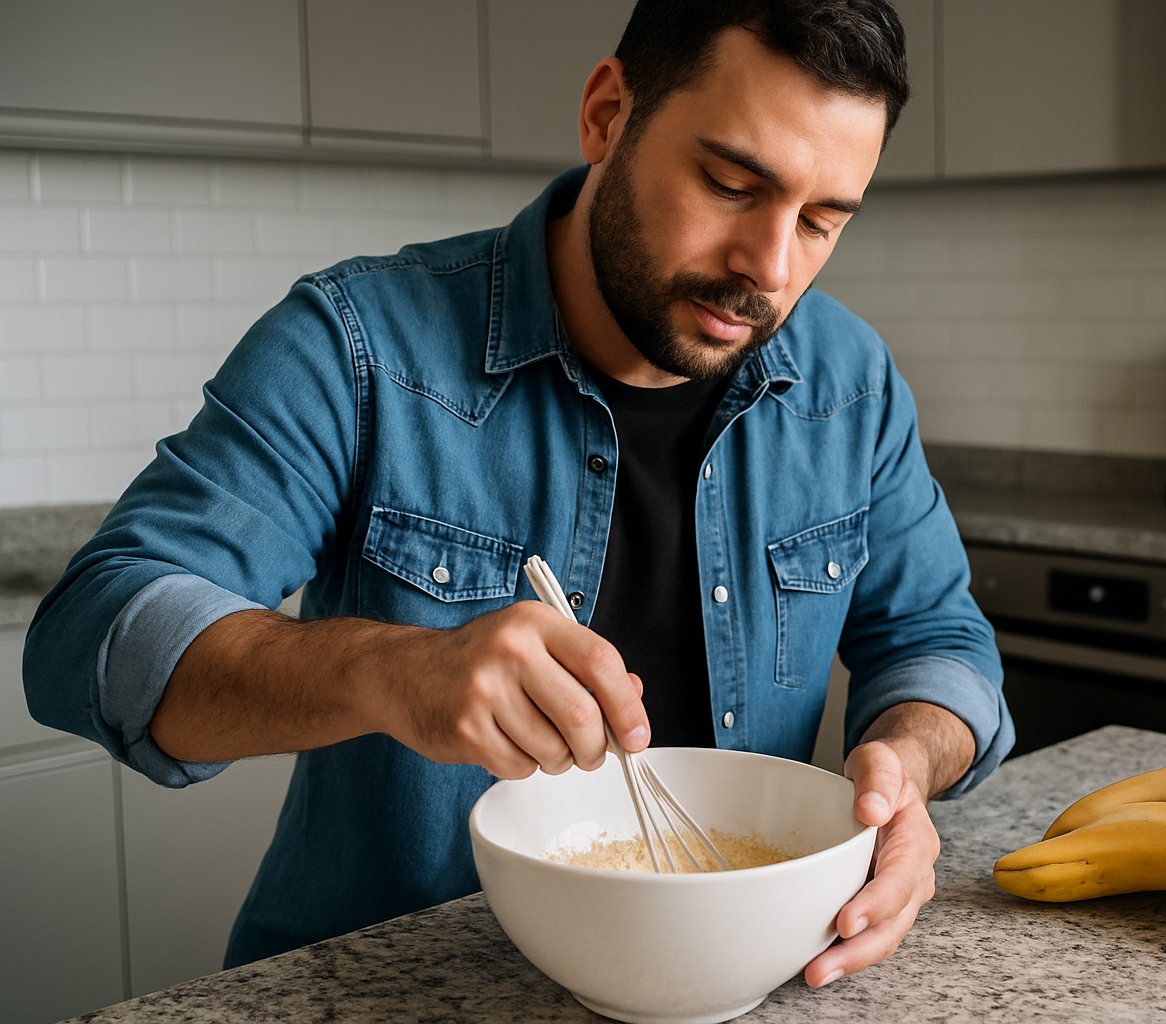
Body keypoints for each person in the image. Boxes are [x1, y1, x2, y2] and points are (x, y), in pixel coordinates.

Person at [23, 0, 1011, 988]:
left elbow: (941, 646)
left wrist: (904, 768)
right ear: (606, 113)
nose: (772, 266)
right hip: (390, 998)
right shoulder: (359, 346)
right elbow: (92, 638)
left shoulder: (852, 382)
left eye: (821, 220)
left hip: (731, 988)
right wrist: (390, 670)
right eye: (729, 184)